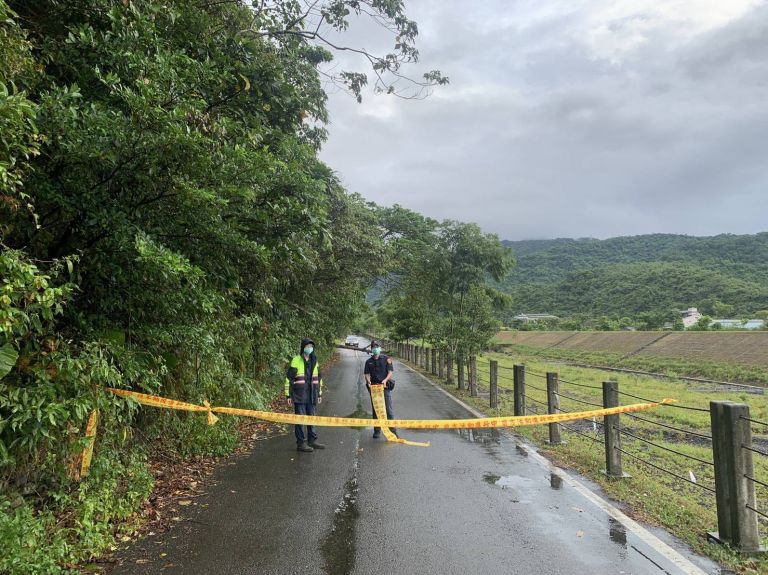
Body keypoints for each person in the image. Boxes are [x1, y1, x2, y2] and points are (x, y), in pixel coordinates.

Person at [285, 338, 326, 452]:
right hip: (300, 395)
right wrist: (288, 395)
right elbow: (289, 379)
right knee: (300, 419)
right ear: (303, 347)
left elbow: (318, 378)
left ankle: (312, 440)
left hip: (312, 394)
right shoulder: (296, 360)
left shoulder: (315, 360)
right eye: (307, 346)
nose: (309, 348)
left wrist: (319, 394)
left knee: (311, 418)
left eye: (311, 346)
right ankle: (301, 443)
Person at [364, 340, 398, 438]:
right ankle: (377, 430)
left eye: (376, 347)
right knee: (376, 410)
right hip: (374, 389)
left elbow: (390, 371)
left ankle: (393, 430)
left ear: (380, 348)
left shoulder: (386, 359)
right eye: (373, 347)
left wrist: (385, 380)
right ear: (371, 349)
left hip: (385, 387)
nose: (375, 349)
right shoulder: (368, 362)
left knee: (388, 410)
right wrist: (368, 381)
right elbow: (366, 373)